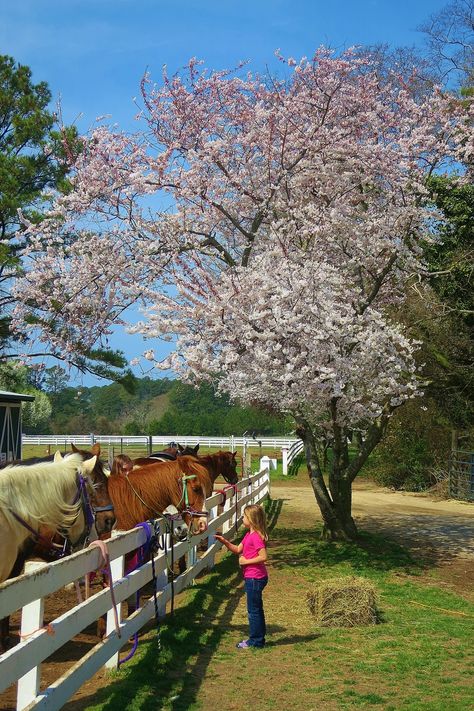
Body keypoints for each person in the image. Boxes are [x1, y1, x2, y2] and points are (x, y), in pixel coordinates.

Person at [215, 503, 268, 649]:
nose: (242, 518)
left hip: (255, 578)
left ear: (251, 519)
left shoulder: (255, 537)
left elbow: (263, 556)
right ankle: (259, 638)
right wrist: (225, 542)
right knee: (256, 609)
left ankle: (255, 641)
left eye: (244, 516)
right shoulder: (248, 535)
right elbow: (238, 549)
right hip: (253, 577)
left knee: (253, 610)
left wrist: (246, 561)